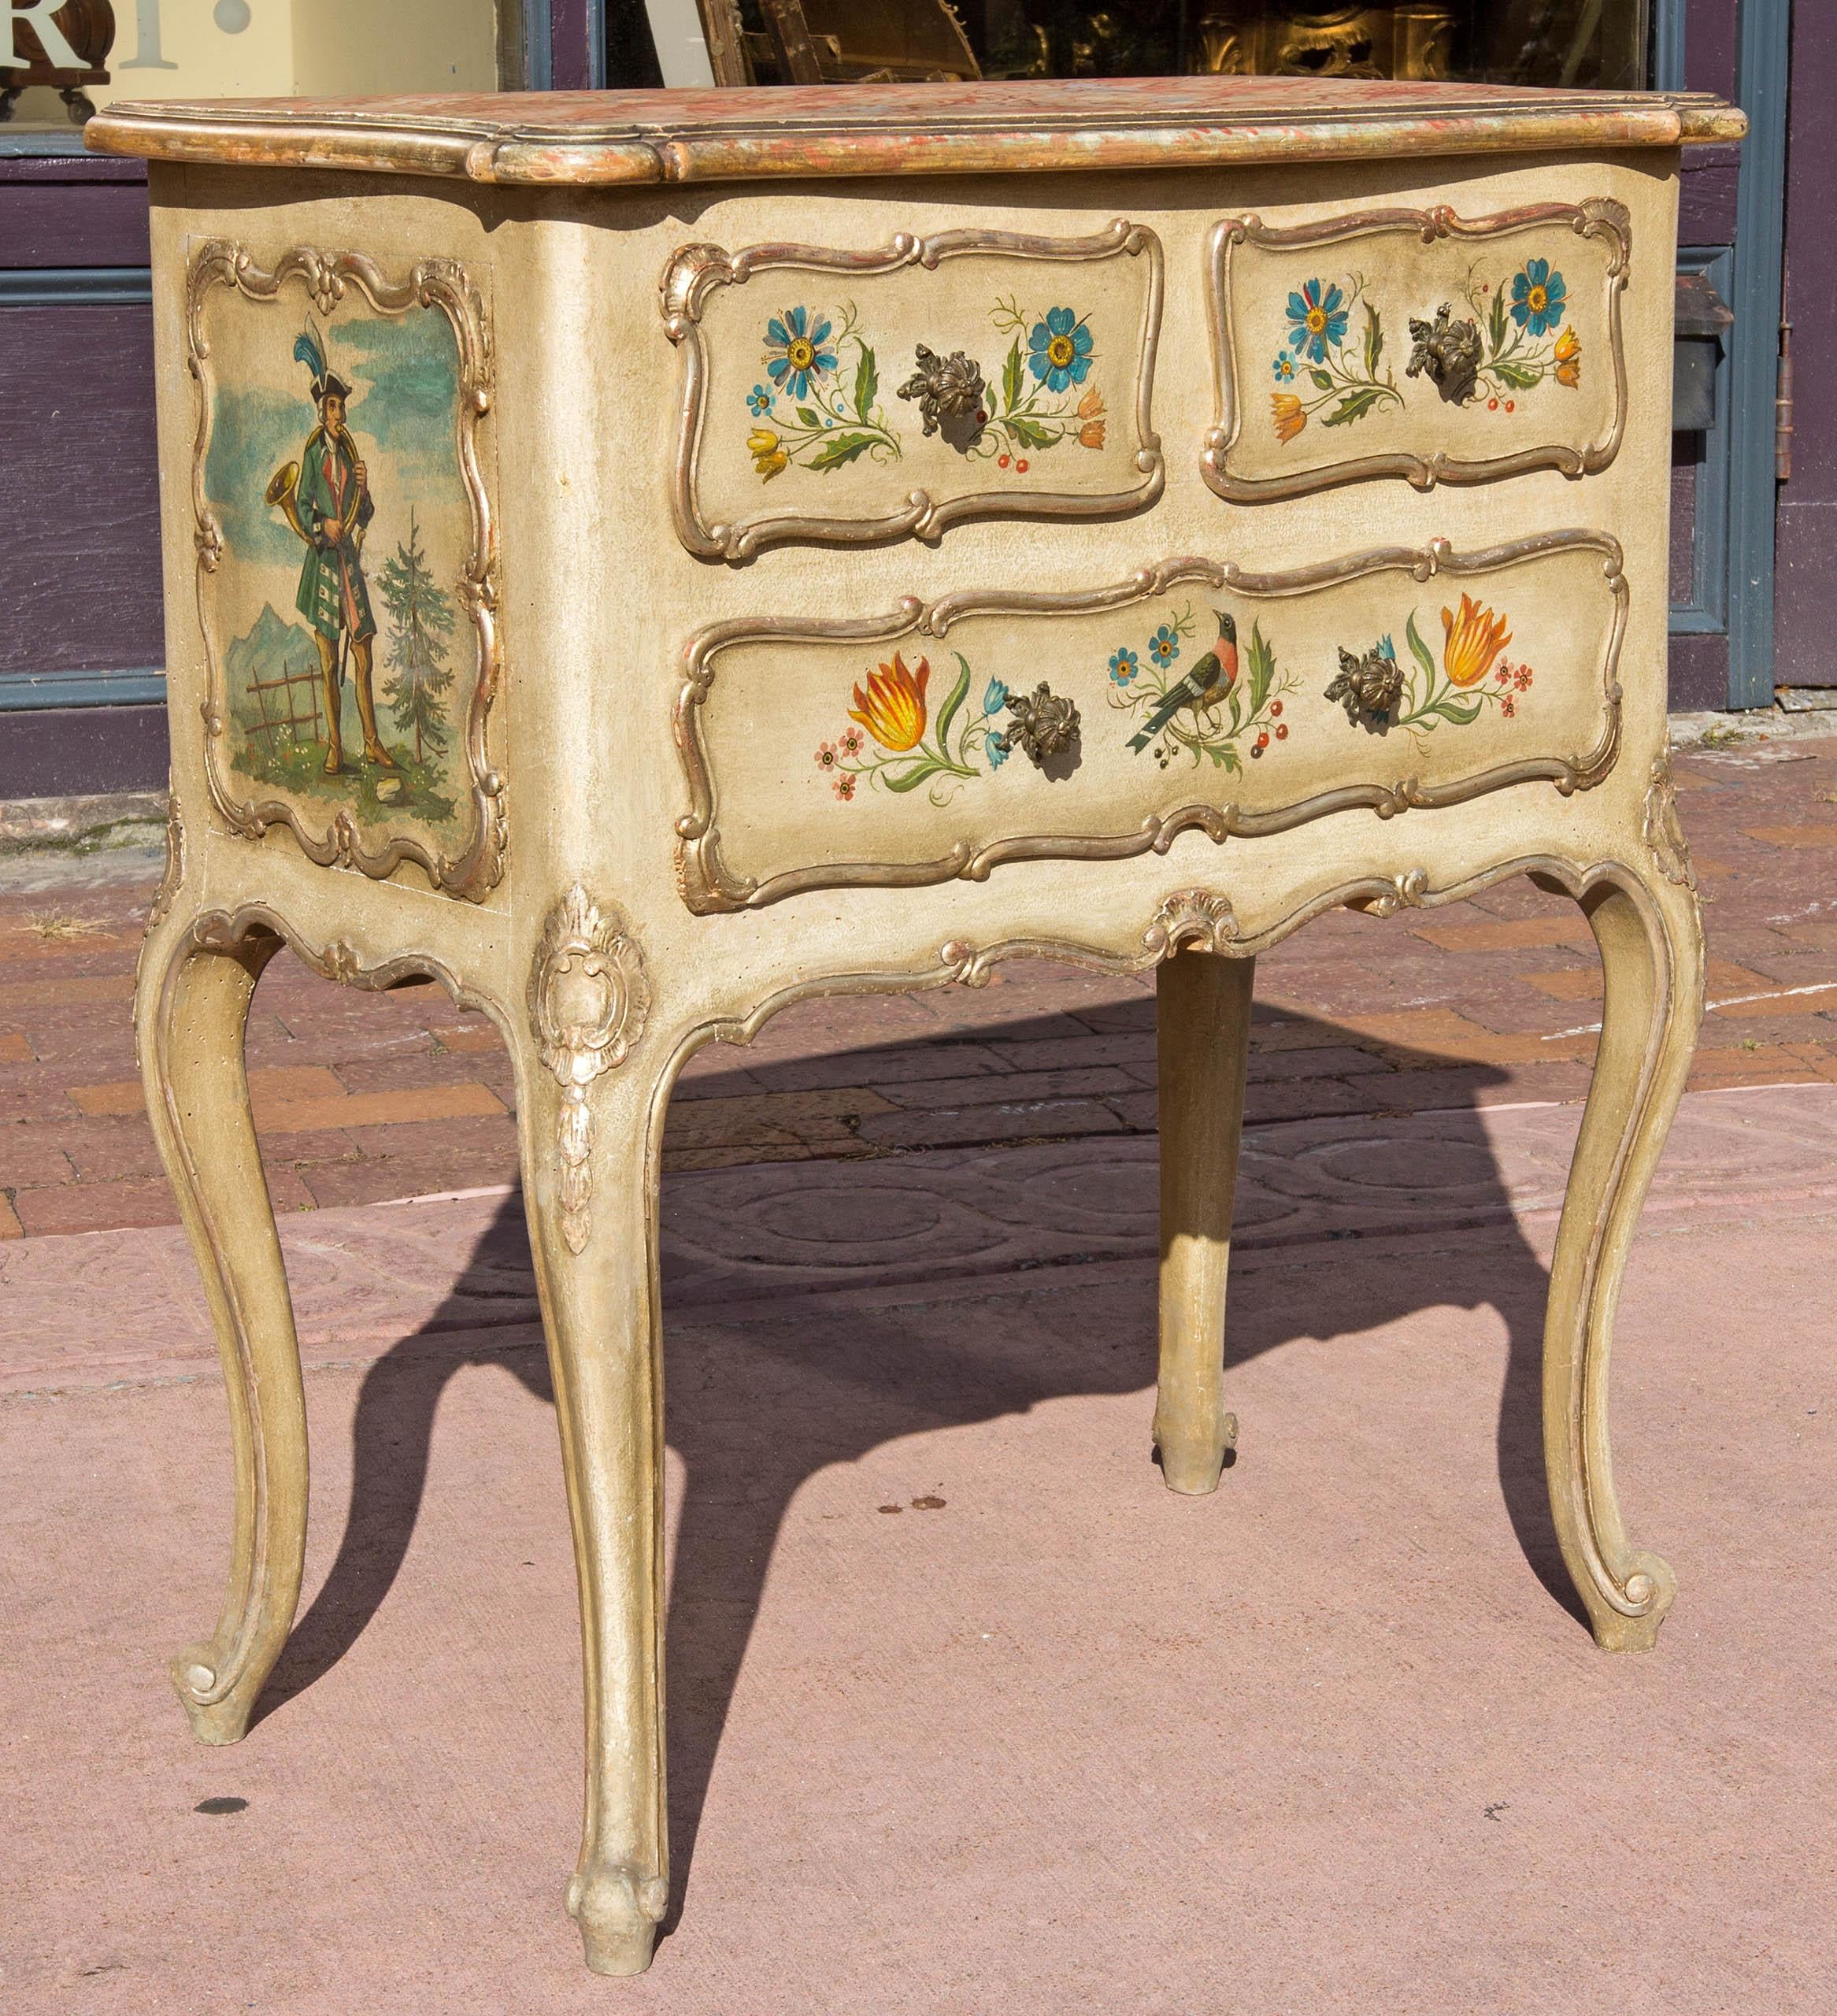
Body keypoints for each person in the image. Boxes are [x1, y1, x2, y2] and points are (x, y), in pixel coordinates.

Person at [290, 343, 396, 775]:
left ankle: (371, 743)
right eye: (334, 407)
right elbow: (299, 507)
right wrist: (322, 525)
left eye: (342, 407)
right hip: (323, 565)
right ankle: (336, 748)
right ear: (321, 410)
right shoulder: (313, 456)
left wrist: (364, 489)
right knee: (329, 659)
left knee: (364, 654)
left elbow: (364, 514)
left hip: (348, 564)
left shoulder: (351, 458)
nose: (341, 415)